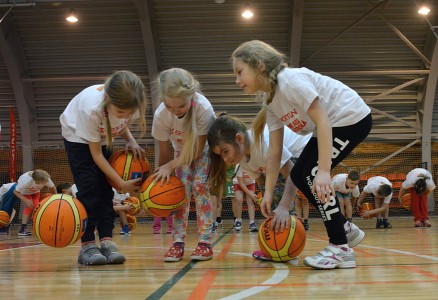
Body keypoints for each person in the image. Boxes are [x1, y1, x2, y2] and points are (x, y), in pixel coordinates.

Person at [231, 40, 372, 269]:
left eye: (240, 72)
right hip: (331, 125)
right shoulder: (271, 100)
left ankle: (340, 248)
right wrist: (267, 194)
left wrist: (324, 171)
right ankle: (344, 228)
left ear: (259, 65)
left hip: (350, 119)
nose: (237, 80)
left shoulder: (290, 81)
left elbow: (323, 120)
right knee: (298, 174)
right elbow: (275, 151)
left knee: (312, 175)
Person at [60, 70, 148, 265]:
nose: (126, 116)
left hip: (102, 136)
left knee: (106, 191)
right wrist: (121, 183)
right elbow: (96, 155)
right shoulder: (90, 110)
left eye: (129, 113)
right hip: (78, 137)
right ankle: (88, 245)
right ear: (107, 100)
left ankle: (107, 241)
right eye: (120, 112)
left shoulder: (130, 104)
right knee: (90, 189)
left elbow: (120, 123)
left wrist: (131, 140)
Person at [207, 115, 310, 261]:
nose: (225, 159)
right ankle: (279, 249)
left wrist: (284, 206)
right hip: (288, 161)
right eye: (220, 155)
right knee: (274, 206)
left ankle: (285, 249)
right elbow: (262, 180)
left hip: (302, 150)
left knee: (282, 205)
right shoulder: (243, 160)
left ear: (239, 139)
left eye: (225, 151)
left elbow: (293, 174)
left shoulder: (263, 144)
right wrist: (267, 202)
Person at [151, 68, 215, 262]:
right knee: (180, 192)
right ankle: (177, 242)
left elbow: (197, 149)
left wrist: (171, 166)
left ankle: (205, 242)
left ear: (192, 95)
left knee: (199, 187)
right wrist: (160, 180)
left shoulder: (203, 108)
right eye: (170, 106)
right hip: (179, 154)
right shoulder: (161, 115)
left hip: (203, 151)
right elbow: (163, 152)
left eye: (181, 106)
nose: (176, 111)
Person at [0, 169, 56, 236]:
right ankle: (22, 228)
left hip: (36, 192)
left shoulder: (45, 179)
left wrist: (57, 197)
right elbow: (15, 191)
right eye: (43, 183)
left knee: (37, 207)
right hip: (25, 192)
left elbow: (53, 188)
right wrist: (26, 200)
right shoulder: (26, 181)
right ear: (37, 181)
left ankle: (38, 225)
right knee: (29, 207)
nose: (46, 183)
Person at [233, 165, 259, 232]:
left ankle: (252, 222)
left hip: (250, 183)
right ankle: (238, 220)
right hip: (238, 183)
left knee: (250, 201)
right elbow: (241, 183)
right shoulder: (239, 166)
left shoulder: (254, 164)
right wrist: (250, 194)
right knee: (239, 199)